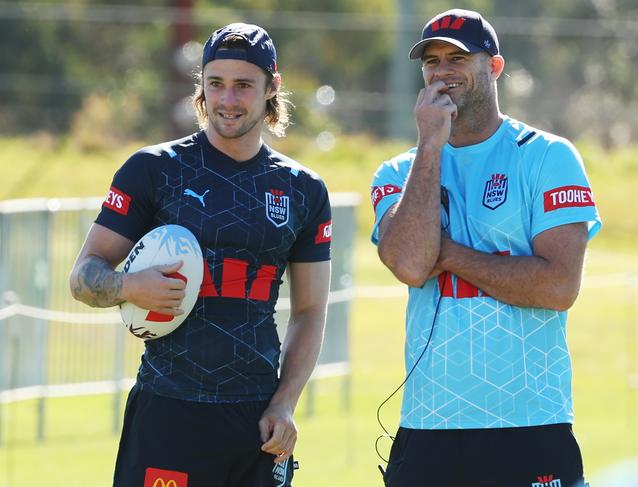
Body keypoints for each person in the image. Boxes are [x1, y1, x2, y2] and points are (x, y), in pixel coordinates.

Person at [70, 22, 332, 487]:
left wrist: (285, 402)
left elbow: (310, 312)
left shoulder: (303, 189)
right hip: (169, 410)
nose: (227, 100)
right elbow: (84, 276)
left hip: (256, 418)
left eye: (243, 85)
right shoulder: (152, 170)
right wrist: (129, 286)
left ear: (272, 87)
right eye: (216, 84)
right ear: (202, 87)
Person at [371, 9, 600, 487]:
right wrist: (431, 144)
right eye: (431, 61)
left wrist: (448, 254)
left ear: (493, 67)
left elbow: (559, 286)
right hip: (429, 424)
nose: (442, 71)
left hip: (530, 421)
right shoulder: (399, 171)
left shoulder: (547, 156)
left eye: (457, 58)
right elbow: (412, 264)